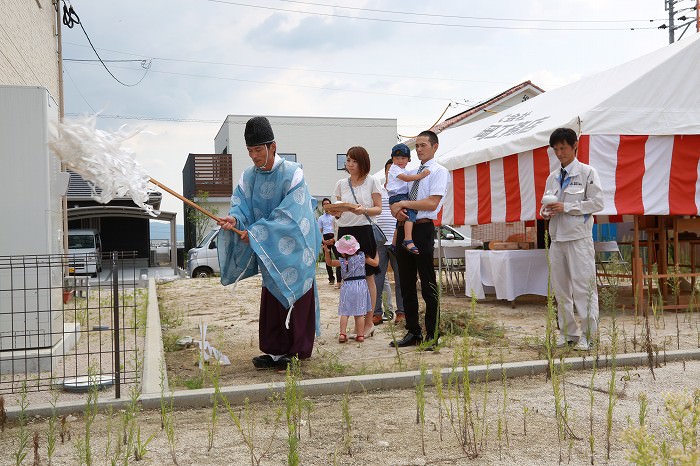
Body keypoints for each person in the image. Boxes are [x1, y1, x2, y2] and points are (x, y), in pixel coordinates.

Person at [217, 116, 321, 370]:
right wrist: (236, 220)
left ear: (273, 147)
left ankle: (296, 352)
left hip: (296, 248)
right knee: (273, 295)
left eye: (258, 150)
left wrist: (256, 233)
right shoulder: (248, 178)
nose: (253, 156)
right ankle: (275, 352)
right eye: (250, 150)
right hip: (269, 250)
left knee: (296, 293)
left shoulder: (293, 173)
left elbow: (292, 215)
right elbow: (241, 207)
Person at [541, 127, 604, 351]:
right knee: (560, 289)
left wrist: (567, 206)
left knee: (583, 287)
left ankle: (589, 335)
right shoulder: (553, 177)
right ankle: (568, 333)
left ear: (575, 145)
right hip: (557, 238)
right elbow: (544, 206)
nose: (560, 153)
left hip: (579, 238)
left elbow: (597, 204)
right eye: (556, 149)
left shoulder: (588, 173)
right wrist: (546, 212)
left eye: (563, 148)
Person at [389, 131, 449, 348]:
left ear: (435, 146)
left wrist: (403, 204)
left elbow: (432, 203)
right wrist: (396, 209)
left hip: (423, 229)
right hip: (404, 226)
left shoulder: (439, 171)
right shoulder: (410, 171)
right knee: (405, 282)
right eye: (417, 146)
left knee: (427, 282)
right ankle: (413, 331)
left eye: (423, 145)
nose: (419, 149)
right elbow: (394, 199)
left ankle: (433, 333)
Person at [333, 146, 383, 338]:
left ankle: (368, 322)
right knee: (348, 277)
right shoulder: (341, 184)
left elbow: (378, 208)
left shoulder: (372, 181)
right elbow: (338, 211)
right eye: (348, 160)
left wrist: (364, 210)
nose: (350, 164)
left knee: (368, 276)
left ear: (363, 162)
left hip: (364, 230)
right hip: (345, 232)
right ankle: (354, 322)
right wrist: (335, 213)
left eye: (354, 161)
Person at [323, 235, 379, 343]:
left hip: (347, 287)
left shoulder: (342, 261)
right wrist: (376, 252)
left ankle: (343, 334)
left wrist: (326, 251)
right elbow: (375, 263)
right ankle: (360, 335)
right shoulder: (362, 257)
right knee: (359, 313)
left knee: (345, 312)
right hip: (360, 286)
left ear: (343, 252)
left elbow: (329, 263)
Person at [372, 158, 406, 325]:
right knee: (377, 278)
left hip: (398, 240)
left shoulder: (404, 191)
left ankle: (401, 312)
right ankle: (377, 313)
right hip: (379, 241)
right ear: (386, 172)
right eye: (389, 170)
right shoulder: (377, 189)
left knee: (401, 278)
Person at [386, 143, 431, 255]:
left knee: (400, 221)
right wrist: (421, 175)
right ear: (392, 159)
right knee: (410, 213)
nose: (400, 160)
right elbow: (406, 179)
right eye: (397, 158)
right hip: (398, 196)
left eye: (403, 158)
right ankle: (408, 240)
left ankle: (394, 244)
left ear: (408, 160)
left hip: (398, 196)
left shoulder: (403, 169)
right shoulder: (395, 168)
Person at [319, 198, 341, 286]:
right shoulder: (321, 218)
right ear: (323, 206)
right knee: (328, 259)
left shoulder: (334, 216)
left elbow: (337, 229)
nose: (326, 205)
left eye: (328, 203)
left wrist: (334, 239)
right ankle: (331, 278)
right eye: (324, 204)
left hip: (334, 238)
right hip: (325, 238)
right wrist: (323, 240)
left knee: (339, 258)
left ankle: (339, 279)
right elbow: (319, 230)